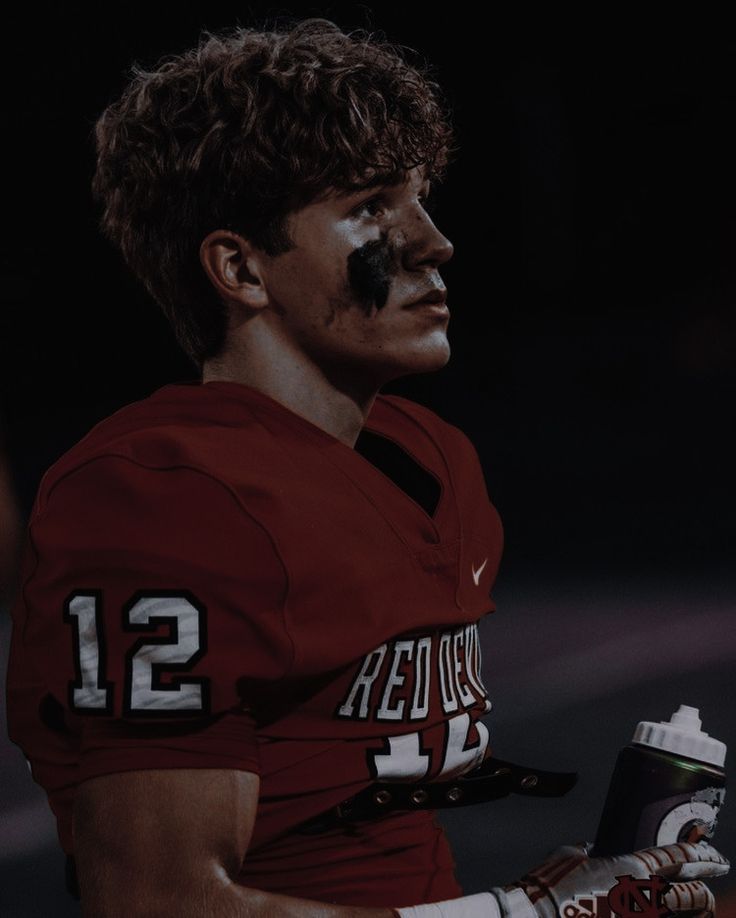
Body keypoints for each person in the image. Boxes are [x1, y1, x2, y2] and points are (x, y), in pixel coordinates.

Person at [5, 17, 729, 917]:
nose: (434, 243)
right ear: (240, 267)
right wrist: (521, 915)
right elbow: (159, 899)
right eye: (370, 208)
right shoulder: (164, 497)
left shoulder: (431, 458)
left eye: (421, 199)